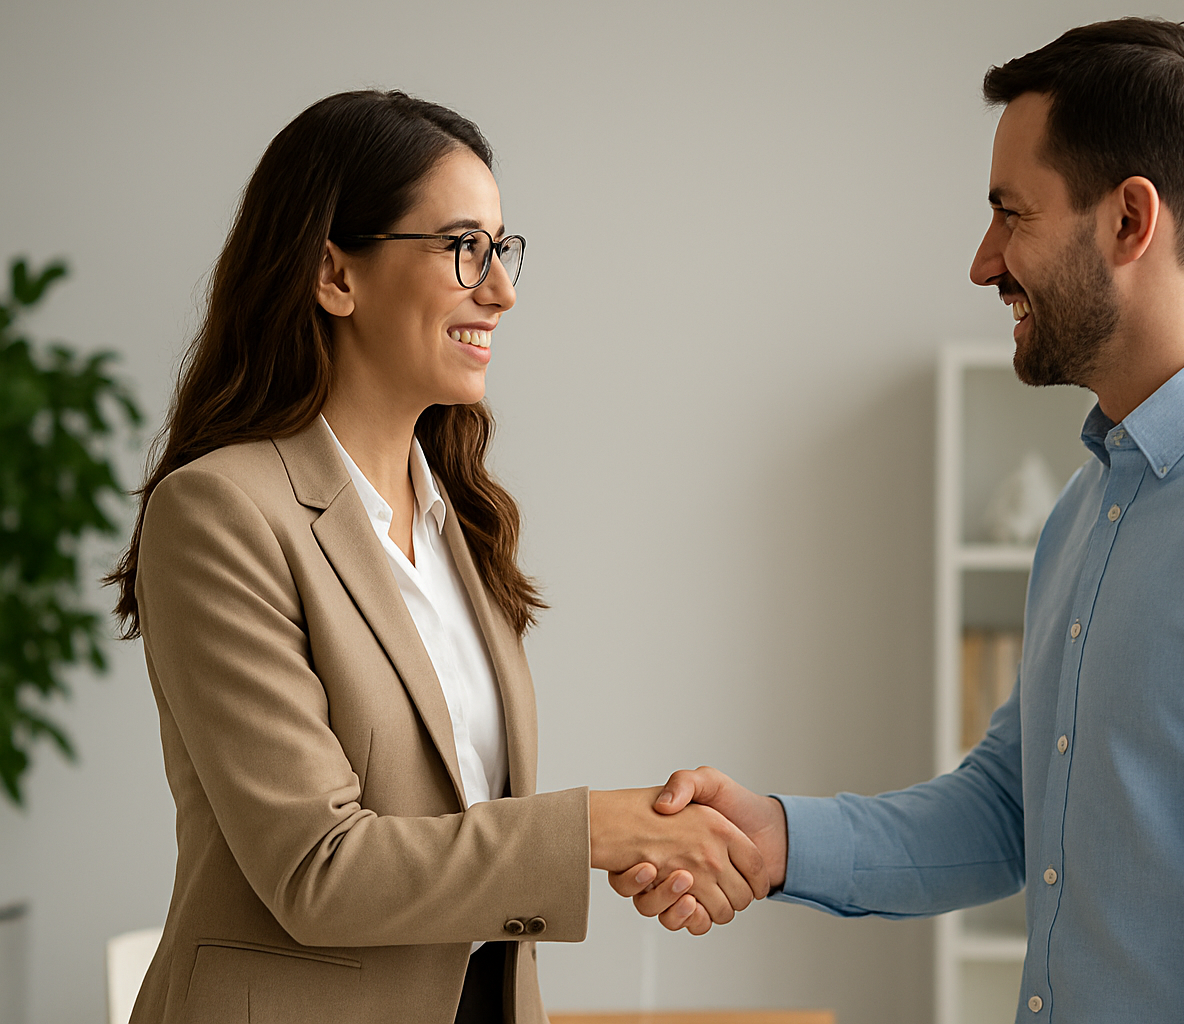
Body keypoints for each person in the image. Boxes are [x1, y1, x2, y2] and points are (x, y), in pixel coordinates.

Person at [616, 17, 1184, 1024]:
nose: (982, 261)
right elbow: (1012, 809)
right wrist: (773, 838)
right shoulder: (1090, 506)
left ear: (1130, 221)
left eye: (1013, 213)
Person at [107, 90, 766, 1024]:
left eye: (502, 250)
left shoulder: (459, 515)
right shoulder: (219, 512)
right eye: (462, 248)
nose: (498, 289)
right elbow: (318, 868)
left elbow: (468, 837)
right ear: (335, 275)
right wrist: (595, 830)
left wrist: (644, 842)